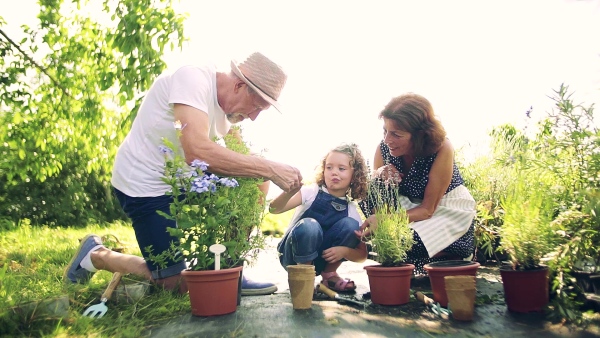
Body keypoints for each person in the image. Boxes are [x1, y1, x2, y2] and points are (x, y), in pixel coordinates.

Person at [63, 52, 303, 295]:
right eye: (257, 107)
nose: (253, 117)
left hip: (186, 179)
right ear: (240, 85)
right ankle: (96, 254)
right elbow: (196, 150)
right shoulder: (193, 78)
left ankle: (227, 269)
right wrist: (270, 168)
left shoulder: (227, 107)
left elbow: (242, 156)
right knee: (174, 285)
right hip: (145, 185)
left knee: (257, 181)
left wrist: (271, 174)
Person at [355, 93, 476, 275]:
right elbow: (376, 195)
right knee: (372, 188)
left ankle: (447, 255)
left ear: (420, 135)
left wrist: (385, 220)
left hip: (443, 210)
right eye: (385, 131)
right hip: (408, 209)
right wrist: (379, 174)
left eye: (396, 134)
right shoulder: (383, 148)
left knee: (409, 243)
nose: (387, 139)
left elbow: (428, 210)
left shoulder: (442, 148)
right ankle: (407, 253)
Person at [270, 143, 369, 292]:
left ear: (355, 175)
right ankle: (304, 278)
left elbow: (362, 255)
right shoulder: (311, 192)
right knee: (310, 225)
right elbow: (274, 209)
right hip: (293, 257)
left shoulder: (351, 210)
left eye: (341, 168)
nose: (334, 172)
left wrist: (345, 251)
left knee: (351, 225)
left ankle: (329, 275)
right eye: (329, 167)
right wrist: (289, 192)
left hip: (323, 260)